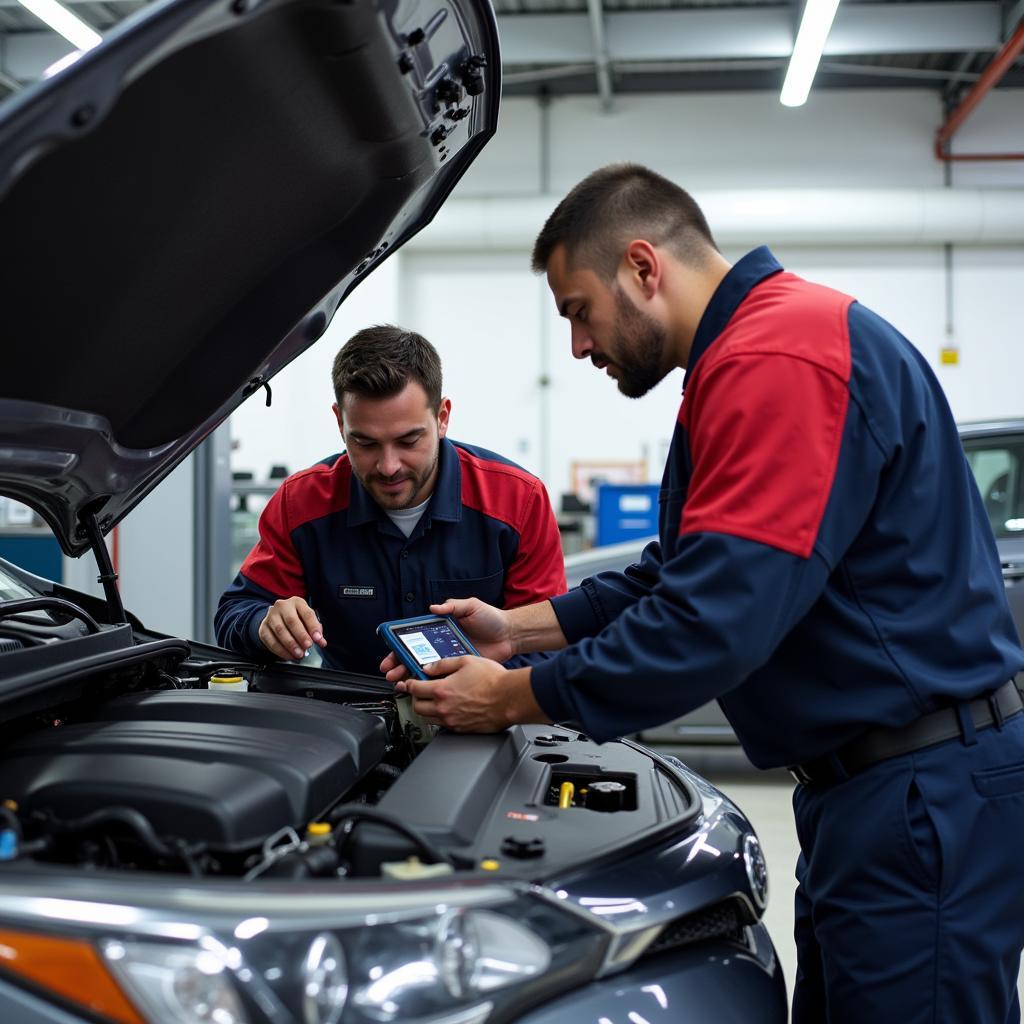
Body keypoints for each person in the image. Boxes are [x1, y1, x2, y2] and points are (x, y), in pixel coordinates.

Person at [383, 165, 1024, 1023]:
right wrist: (518, 632)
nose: (576, 345)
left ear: (644, 268)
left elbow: (709, 623)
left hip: (918, 795)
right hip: (872, 793)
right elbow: (678, 570)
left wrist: (513, 700)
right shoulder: (754, 352)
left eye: (578, 310)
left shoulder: (777, 360)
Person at [216, 324, 566, 673]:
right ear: (340, 423)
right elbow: (235, 614)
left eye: (408, 441)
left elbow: (548, 644)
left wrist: (488, 687)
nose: (388, 466)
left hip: (486, 716)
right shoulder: (302, 504)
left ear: (442, 418)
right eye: (365, 443)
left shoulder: (518, 502)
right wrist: (264, 625)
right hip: (343, 718)